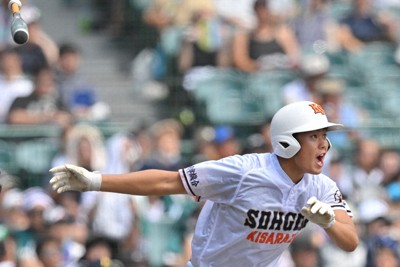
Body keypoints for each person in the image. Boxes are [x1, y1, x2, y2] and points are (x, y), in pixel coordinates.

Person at [49, 101, 359, 266]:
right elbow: (168, 181)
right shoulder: (243, 171)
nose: (324, 145)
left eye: (325, 136)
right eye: (314, 136)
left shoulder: (321, 187)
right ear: (287, 141)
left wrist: (330, 222)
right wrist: (94, 180)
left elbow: (351, 241)